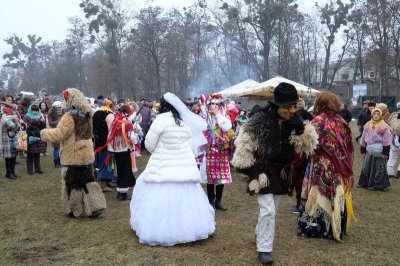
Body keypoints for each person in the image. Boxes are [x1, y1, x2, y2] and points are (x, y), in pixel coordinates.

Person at [231, 83, 318, 264]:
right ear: (278, 105)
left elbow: (307, 147)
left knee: (272, 210)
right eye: (287, 107)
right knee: (268, 210)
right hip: (263, 172)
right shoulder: (260, 120)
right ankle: (264, 249)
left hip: (282, 173)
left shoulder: (295, 120)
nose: (291, 110)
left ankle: (259, 233)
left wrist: (300, 130)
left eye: (294, 106)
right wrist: (253, 172)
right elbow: (243, 148)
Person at [130, 92, 215, 246]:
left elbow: (149, 145)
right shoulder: (184, 124)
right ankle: (191, 228)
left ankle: (160, 230)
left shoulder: (160, 121)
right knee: (187, 200)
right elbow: (190, 146)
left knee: (158, 199)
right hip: (183, 166)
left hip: (162, 165)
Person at [298, 91, 355, 242]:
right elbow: (347, 145)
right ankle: (334, 226)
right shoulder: (341, 121)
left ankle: (317, 226)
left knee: (319, 192)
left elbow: (309, 145)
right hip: (339, 166)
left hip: (320, 164)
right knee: (335, 193)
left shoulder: (317, 121)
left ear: (320, 104)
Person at [41, 88, 107, 218]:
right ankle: (95, 207)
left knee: (72, 184)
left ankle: (74, 210)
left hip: (73, 154)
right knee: (89, 181)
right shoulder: (88, 115)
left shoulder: (69, 117)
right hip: (86, 153)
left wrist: (43, 133)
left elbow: (59, 133)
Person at [200, 93, 233, 211]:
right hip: (209, 150)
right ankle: (211, 201)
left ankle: (218, 201)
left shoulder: (224, 116)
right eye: (212, 103)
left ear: (220, 105)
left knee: (221, 176)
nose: (214, 106)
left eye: (216, 104)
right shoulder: (205, 117)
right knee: (210, 176)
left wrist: (218, 115)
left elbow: (227, 127)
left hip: (221, 150)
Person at [106, 105, 137, 200]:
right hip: (124, 150)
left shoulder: (115, 122)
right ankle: (123, 194)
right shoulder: (127, 123)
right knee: (125, 172)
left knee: (119, 171)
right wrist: (136, 137)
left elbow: (109, 136)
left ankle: (119, 192)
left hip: (115, 151)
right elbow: (132, 138)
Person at [289, 98, 314, 214]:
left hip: (298, 152)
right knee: (307, 178)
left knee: (299, 179)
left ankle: (300, 205)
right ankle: (307, 202)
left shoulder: (295, 117)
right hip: (309, 151)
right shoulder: (311, 116)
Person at [358, 108, 392, 191]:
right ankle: (364, 183)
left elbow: (387, 140)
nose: (376, 116)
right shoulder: (367, 125)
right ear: (372, 115)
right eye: (374, 114)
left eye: (378, 114)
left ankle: (378, 185)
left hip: (379, 150)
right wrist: (362, 149)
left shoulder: (384, 126)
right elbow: (363, 137)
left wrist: (385, 152)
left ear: (380, 115)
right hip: (369, 150)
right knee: (367, 165)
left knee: (378, 167)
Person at [93, 99, 115, 192]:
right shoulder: (109, 114)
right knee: (106, 163)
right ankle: (102, 185)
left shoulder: (96, 113)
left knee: (100, 162)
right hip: (106, 143)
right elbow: (111, 130)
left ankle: (104, 182)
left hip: (97, 142)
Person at [1, 95, 23, 179]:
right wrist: (14, 126)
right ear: (4, 101)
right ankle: (8, 173)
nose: (10, 101)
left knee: (14, 153)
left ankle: (13, 171)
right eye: (8, 100)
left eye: (11, 100)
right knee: (8, 154)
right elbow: (3, 121)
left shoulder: (14, 110)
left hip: (15, 133)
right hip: (7, 134)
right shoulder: (2, 110)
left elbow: (18, 119)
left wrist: (20, 124)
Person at [23, 104, 47, 175]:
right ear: (31, 110)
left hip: (38, 138)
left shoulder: (40, 116)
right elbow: (26, 128)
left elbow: (43, 127)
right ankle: (30, 170)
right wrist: (33, 121)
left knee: (37, 155)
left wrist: (42, 122)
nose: (35, 112)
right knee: (30, 155)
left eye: (36, 111)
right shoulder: (26, 117)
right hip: (30, 138)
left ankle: (38, 169)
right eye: (33, 111)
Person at [47, 101, 64, 168]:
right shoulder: (51, 113)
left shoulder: (62, 112)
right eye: (58, 107)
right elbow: (50, 123)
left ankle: (60, 161)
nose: (60, 109)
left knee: (60, 148)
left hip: (61, 131)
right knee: (56, 148)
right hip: (54, 131)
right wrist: (59, 121)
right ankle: (56, 162)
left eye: (60, 107)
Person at [387, 102, 400, 178]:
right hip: (396, 138)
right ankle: (399, 172)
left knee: (392, 156)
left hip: (393, 138)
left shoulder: (393, 115)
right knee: (392, 156)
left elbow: (389, 126)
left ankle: (389, 172)